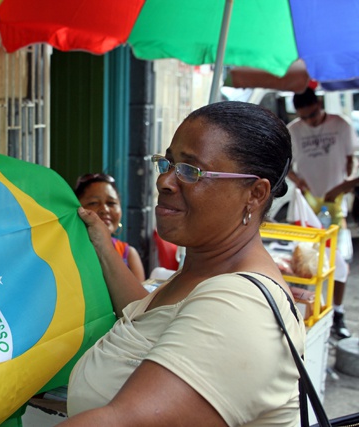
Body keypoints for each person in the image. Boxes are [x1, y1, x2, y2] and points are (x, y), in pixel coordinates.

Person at [61, 101, 305, 426]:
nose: (165, 181)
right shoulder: (199, 275)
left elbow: (123, 421)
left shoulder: (240, 307)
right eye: (168, 163)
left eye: (191, 171)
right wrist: (104, 246)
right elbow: (151, 325)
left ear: (255, 194)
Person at [287, 87, 356, 339]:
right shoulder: (294, 130)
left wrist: (342, 186)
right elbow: (287, 166)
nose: (310, 122)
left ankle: (337, 312)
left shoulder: (341, 125)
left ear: (319, 104)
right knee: (303, 260)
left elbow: (351, 162)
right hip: (307, 202)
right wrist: (300, 182)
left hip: (333, 202)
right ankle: (300, 310)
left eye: (313, 115)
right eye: (304, 118)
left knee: (339, 261)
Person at [74, 173, 145, 282]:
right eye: (93, 203)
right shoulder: (70, 250)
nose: (105, 209)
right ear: (77, 208)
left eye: (111, 203)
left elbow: (142, 299)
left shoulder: (128, 254)